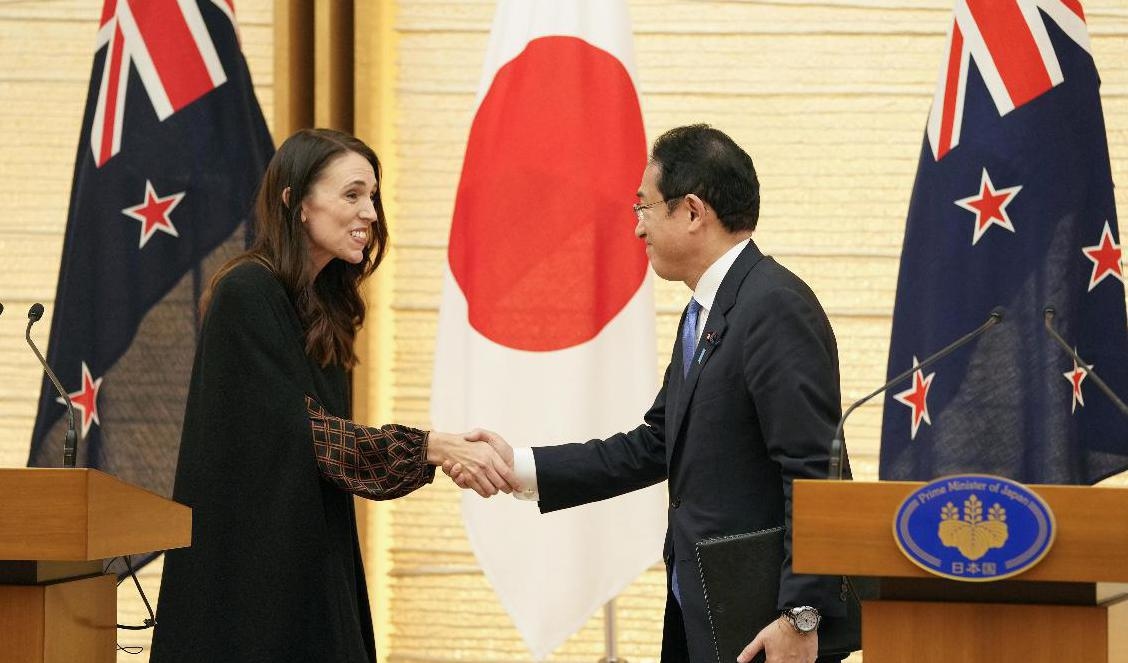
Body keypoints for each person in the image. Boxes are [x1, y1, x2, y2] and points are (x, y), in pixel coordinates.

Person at [448, 124, 851, 663]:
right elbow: (656, 444)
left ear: (691, 211)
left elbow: (812, 471)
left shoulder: (774, 307)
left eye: (643, 207)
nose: (637, 229)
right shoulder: (707, 310)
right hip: (704, 616)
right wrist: (518, 466)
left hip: (765, 625)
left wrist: (803, 616)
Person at [151, 128, 516, 663]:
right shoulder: (246, 292)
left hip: (307, 562)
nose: (370, 212)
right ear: (294, 202)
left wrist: (437, 446)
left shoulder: (321, 308)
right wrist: (431, 447)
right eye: (352, 194)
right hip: (251, 591)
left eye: (372, 196)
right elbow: (309, 440)